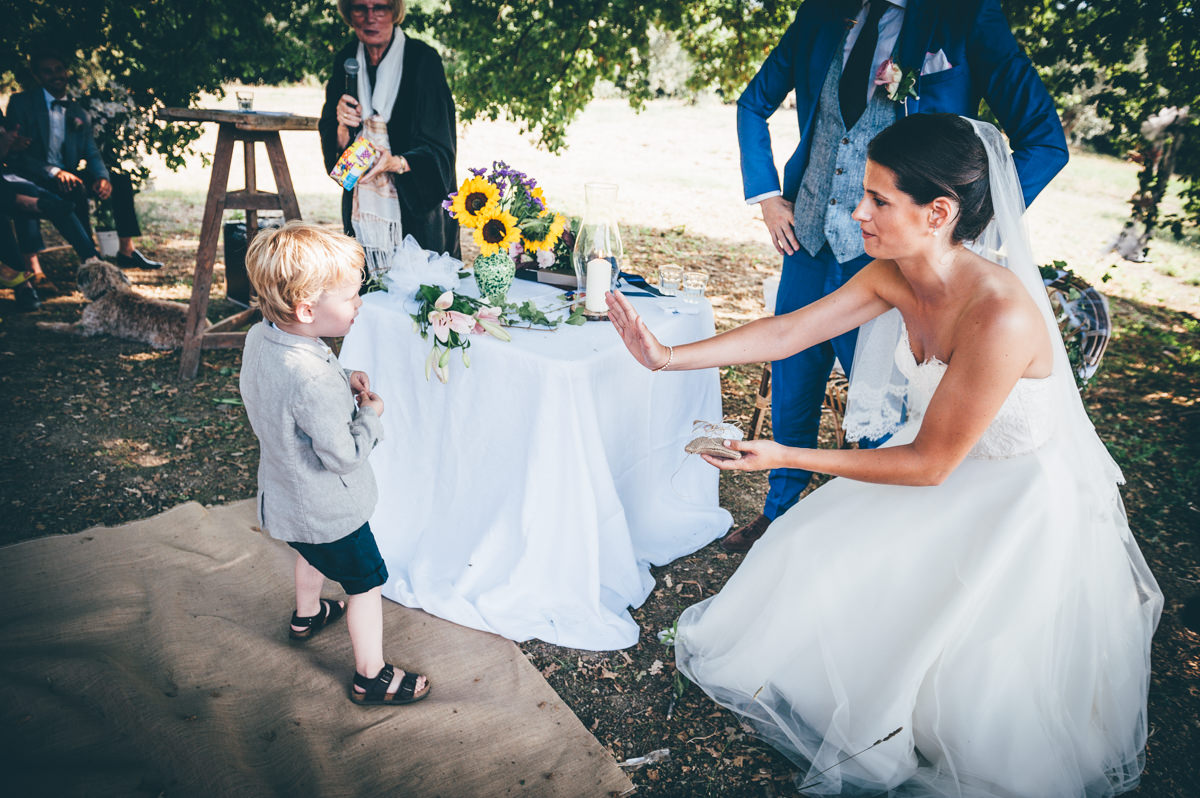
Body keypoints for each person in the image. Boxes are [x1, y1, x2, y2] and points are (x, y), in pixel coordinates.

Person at [607, 114, 1160, 796]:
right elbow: (790, 331)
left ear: (938, 213)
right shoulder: (894, 274)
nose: (857, 212)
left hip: (1010, 500)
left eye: (878, 200)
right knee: (810, 550)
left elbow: (930, 467)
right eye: (862, 195)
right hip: (938, 462)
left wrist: (786, 454)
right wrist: (665, 357)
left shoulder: (1000, 312)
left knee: (957, 665)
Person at [725, 0, 1069, 553]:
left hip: (897, 259)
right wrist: (767, 195)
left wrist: (964, 227)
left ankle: (881, 532)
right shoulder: (821, 13)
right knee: (792, 374)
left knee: (885, 406)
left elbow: (1046, 141)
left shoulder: (968, 18)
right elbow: (753, 104)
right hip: (807, 239)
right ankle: (778, 515)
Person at [239, 221, 431, 706]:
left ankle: (306, 614)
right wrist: (369, 414)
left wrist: (342, 377)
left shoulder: (262, 339)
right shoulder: (310, 379)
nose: (359, 303)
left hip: (286, 496)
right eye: (350, 298)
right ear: (307, 309)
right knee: (364, 582)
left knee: (309, 551)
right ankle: (372, 675)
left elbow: (292, 390)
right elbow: (343, 456)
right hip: (329, 510)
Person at [318, 0, 460, 273]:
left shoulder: (423, 60)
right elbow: (336, 155)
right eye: (361, 8)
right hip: (362, 211)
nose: (371, 17)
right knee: (364, 294)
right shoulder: (346, 61)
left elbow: (441, 146)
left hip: (417, 210)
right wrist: (342, 126)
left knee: (419, 300)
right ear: (349, 14)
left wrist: (395, 162)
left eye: (380, 7)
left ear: (395, 12)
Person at [5, 48, 161, 277]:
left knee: (120, 180)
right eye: (47, 72)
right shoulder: (22, 104)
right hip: (34, 173)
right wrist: (55, 172)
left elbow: (91, 151)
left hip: (67, 174)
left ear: (66, 72)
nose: (55, 75)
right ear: (38, 76)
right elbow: (16, 154)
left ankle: (126, 251)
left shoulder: (78, 112)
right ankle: (75, 260)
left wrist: (101, 178)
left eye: (59, 69)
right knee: (66, 188)